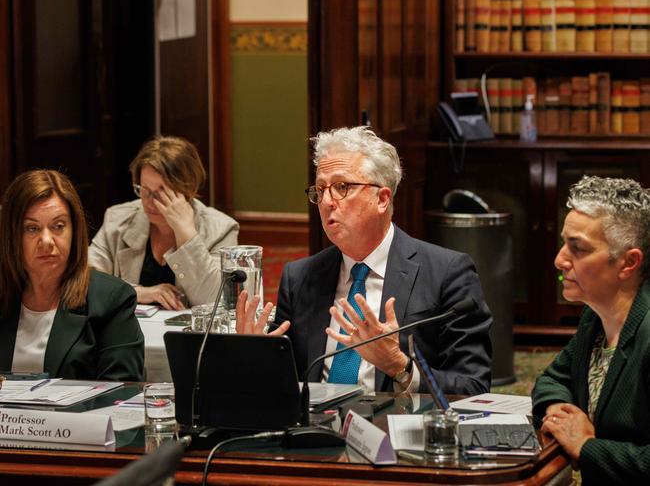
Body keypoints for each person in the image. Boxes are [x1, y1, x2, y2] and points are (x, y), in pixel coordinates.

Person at [237, 126, 492, 394]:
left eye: (341, 187)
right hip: (314, 431)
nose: (326, 201)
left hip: (396, 428)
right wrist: (255, 358)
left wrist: (400, 367)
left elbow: (473, 386)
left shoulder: (447, 273)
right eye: (320, 190)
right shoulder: (299, 277)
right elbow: (285, 382)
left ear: (382, 199)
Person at [532, 176, 650, 483]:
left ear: (628, 263)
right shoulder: (596, 318)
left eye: (578, 249)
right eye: (563, 243)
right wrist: (562, 414)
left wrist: (586, 446)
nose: (560, 260)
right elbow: (552, 379)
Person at [0, 170, 144, 381]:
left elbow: (122, 393)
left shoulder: (112, 300)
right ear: (12, 235)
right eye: (32, 228)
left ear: (74, 231)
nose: (47, 240)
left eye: (58, 226)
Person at [89, 136, 239, 309]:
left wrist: (186, 234)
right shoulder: (118, 219)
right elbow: (86, 280)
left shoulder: (221, 229)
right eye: (144, 190)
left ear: (188, 190)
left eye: (162, 193)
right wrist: (138, 292)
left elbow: (216, 301)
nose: (150, 202)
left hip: (188, 335)